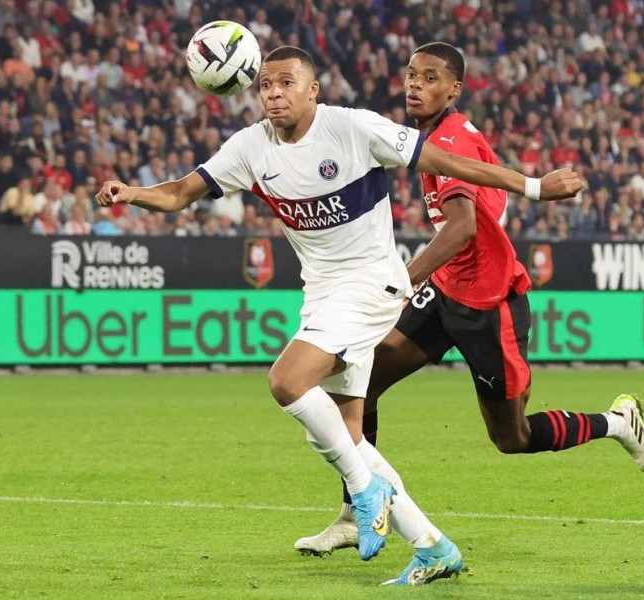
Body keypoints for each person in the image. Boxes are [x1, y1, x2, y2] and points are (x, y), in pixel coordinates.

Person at [96, 46, 584, 586]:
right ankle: (431, 546)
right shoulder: (251, 147)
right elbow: (182, 193)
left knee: (288, 381)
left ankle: (363, 492)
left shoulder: (354, 128)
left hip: (375, 284)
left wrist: (535, 187)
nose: (274, 94)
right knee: (345, 431)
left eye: (285, 84)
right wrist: (133, 193)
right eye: (265, 87)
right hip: (323, 292)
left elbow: (447, 161)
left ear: (314, 90)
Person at [295, 43, 644, 558]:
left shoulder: (449, 140)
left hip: (490, 306)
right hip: (445, 293)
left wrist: (401, 282)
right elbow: (489, 206)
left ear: (454, 89)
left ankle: (618, 422)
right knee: (358, 385)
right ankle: (357, 510)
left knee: (512, 436)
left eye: (430, 77)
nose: (414, 84)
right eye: (411, 74)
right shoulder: (441, 137)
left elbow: (462, 227)